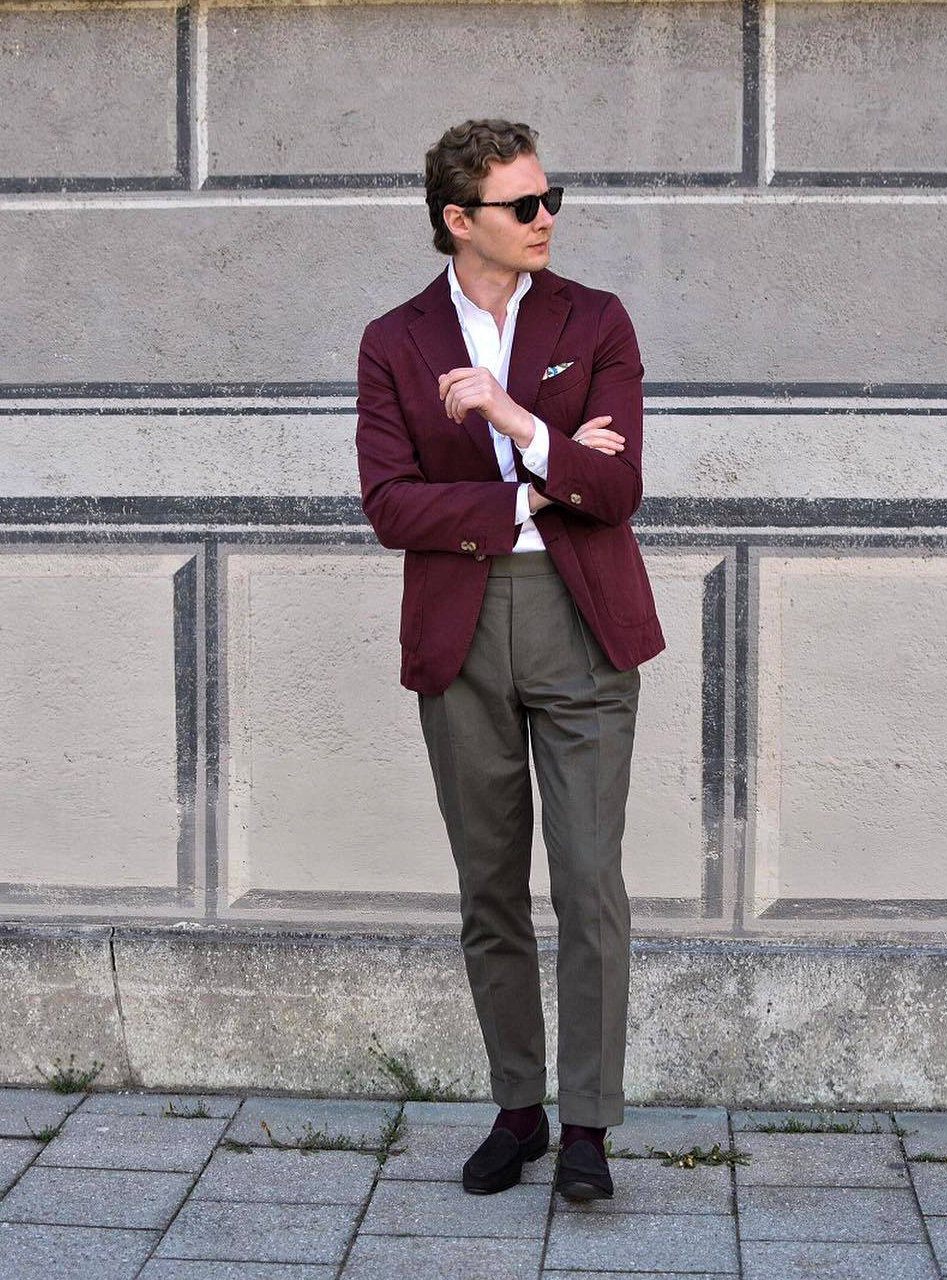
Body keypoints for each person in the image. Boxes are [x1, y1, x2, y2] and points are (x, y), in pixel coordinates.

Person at [355, 118, 665, 1200]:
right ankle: (518, 1108)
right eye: (523, 205)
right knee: (489, 885)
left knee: (588, 881)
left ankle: (588, 1123)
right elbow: (389, 506)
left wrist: (510, 415)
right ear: (458, 220)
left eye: (550, 199)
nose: (547, 220)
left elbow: (618, 490)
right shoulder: (393, 341)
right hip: (462, 624)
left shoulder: (598, 319)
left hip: (582, 621)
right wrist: (536, 483)